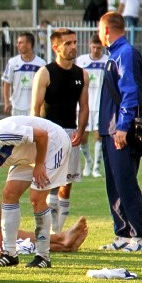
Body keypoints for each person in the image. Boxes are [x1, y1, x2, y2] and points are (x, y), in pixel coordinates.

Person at [0, 115, 72, 268]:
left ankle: (43, 256)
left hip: (54, 143)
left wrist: (39, 164)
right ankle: (9, 254)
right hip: (28, 155)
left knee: (36, 198)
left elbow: (42, 134)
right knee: (9, 194)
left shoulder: (1, 135)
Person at [96, 11, 142, 252]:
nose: (98, 34)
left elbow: (130, 92)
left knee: (126, 182)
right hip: (109, 131)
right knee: (114, 183)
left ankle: (141, 236)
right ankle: (122, 234)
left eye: (99, 29)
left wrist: (122, 127)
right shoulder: (115, 54)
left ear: (106, 30)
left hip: (121, 131)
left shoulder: (126, 54)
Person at [30, 28, 89, 234]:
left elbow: (84, 106)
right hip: (50, 134)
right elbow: (35, 109)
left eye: (74, 42)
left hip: (71, 133)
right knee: (50, 182)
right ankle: (51, 232)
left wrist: (81, 130)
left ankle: (58, 231)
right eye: (68, 43)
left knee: (68, 183)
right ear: (56, 47)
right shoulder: (45, 72)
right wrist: (38, 137)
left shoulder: (82, 74)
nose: (73, 46)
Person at [74, 33, 109, 177]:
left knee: (99, 135)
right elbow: (75, 80)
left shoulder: (107, 61)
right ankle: (88, 161)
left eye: (98, 48)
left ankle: (96, 167)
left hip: (101, 104)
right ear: (90, 46)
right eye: (94, 47)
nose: (96, 50)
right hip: (84, 104)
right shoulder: (81, 61)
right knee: (82, 136)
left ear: (102, 47)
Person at [1, 32, 46, 116]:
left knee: (32, 129)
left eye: (20, 43)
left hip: (34, 107)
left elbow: (45, 85)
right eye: (17, 42)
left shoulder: (41, 63)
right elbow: (6, 83)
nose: (17, 45)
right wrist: (6, 102)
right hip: (16, 107)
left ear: (29, 45)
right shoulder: (12, 62)